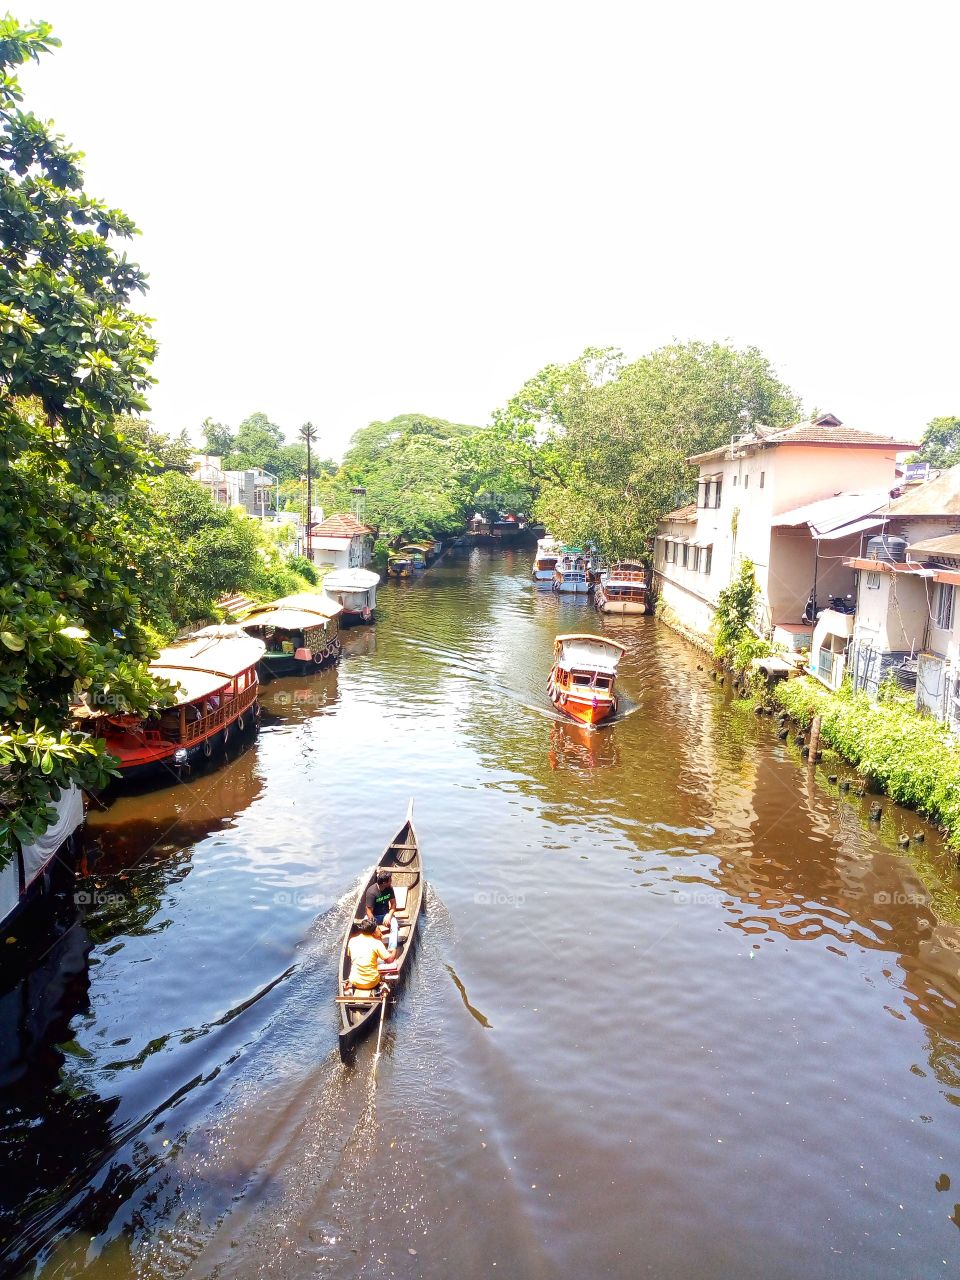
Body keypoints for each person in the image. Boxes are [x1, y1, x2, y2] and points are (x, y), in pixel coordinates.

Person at [344, 917, 396, 995]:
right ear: (373, 932)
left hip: (354, 981)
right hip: (372, 983)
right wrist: (394, 951)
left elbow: (350, 955)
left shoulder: (352, 940)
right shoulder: (377, 943)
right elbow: (389, 960)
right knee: (385, 963)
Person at [365, 867, 399, 950]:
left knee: (395, 925)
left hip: (385, 915)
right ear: (384, 883)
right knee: (367, 928)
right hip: (374, 917)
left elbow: (393, 904)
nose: (391, 881)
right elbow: (369, 912)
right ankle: (373, 948)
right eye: (390, 880)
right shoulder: (371, 892)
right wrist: (375, 926)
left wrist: (389, 915)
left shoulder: (389, 888)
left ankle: (392, 948)